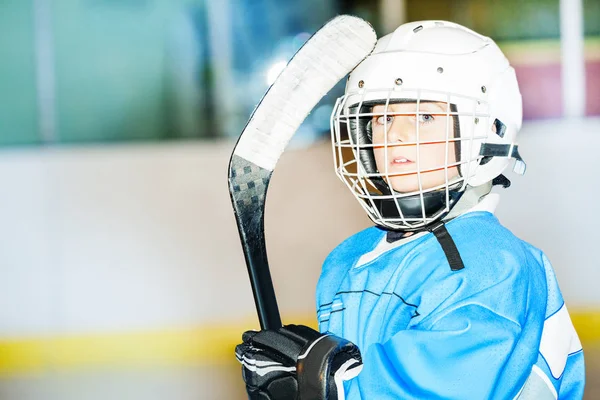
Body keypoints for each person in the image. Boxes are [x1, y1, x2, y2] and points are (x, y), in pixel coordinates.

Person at [237, 20, 585, 400]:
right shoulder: (347, 259)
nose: (396, 135)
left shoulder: (492, 264)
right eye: (382, 118)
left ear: (488, 131)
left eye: (424, 116)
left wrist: (328, 385)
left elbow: (450, 386)